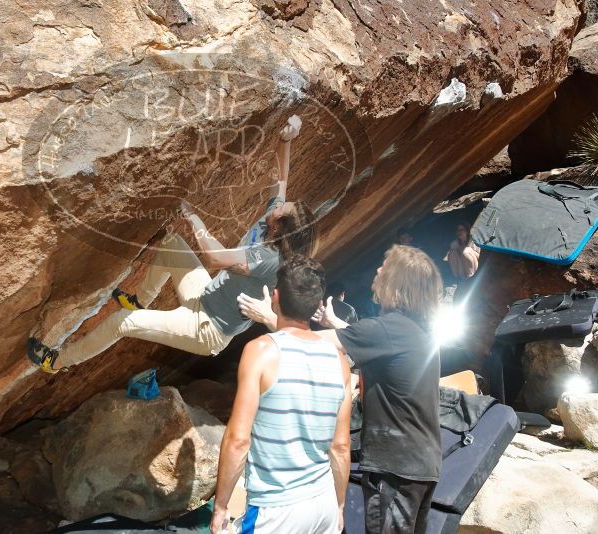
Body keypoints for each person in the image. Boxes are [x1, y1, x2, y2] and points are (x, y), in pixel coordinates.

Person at [27, 115, 317, 373]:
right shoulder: (274, 220)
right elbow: (281, 178)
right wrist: (285, 139)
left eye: (283, 207)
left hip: (207, 329)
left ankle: (57, 361)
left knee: (123, 322)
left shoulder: (270, 259)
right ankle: (141, 298)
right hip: (204, 295)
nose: (279, 203)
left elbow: (215, 258)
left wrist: (195, 220)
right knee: (172, 243)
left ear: (281, 227)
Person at [238, 245, 443, 534]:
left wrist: (270, 317)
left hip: (395, 466)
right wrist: (337, 324)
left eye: (386, 268)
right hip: (422, 464)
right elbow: (373, 343)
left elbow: (311, 344)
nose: (378, 270)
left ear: (397, 282)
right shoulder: (415, 330)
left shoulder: (388, 329)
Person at [211, 255, 352, 534]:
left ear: (275, 297)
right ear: (317, 305)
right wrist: (338, 505)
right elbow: (340, 447)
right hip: (323, 502)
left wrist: (221, 506)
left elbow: (238, 440)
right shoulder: (338, 361)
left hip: (276, 509)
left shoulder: (261, 351)